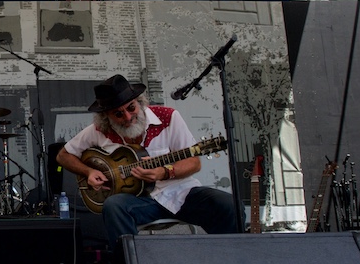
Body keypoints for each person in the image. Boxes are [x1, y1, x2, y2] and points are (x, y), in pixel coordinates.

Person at [55, 74, 239, 252]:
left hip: (181, 194)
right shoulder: (99, 130)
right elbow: (63, 156)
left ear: (140, 102)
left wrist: (164, 172)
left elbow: (194, 162)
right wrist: (88, 172)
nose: (127, 117)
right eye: (118, 114)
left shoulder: (168, 118)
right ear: (106, 117)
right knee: (113, 206)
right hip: (140, 201)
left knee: (227, 204)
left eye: (131, 108)